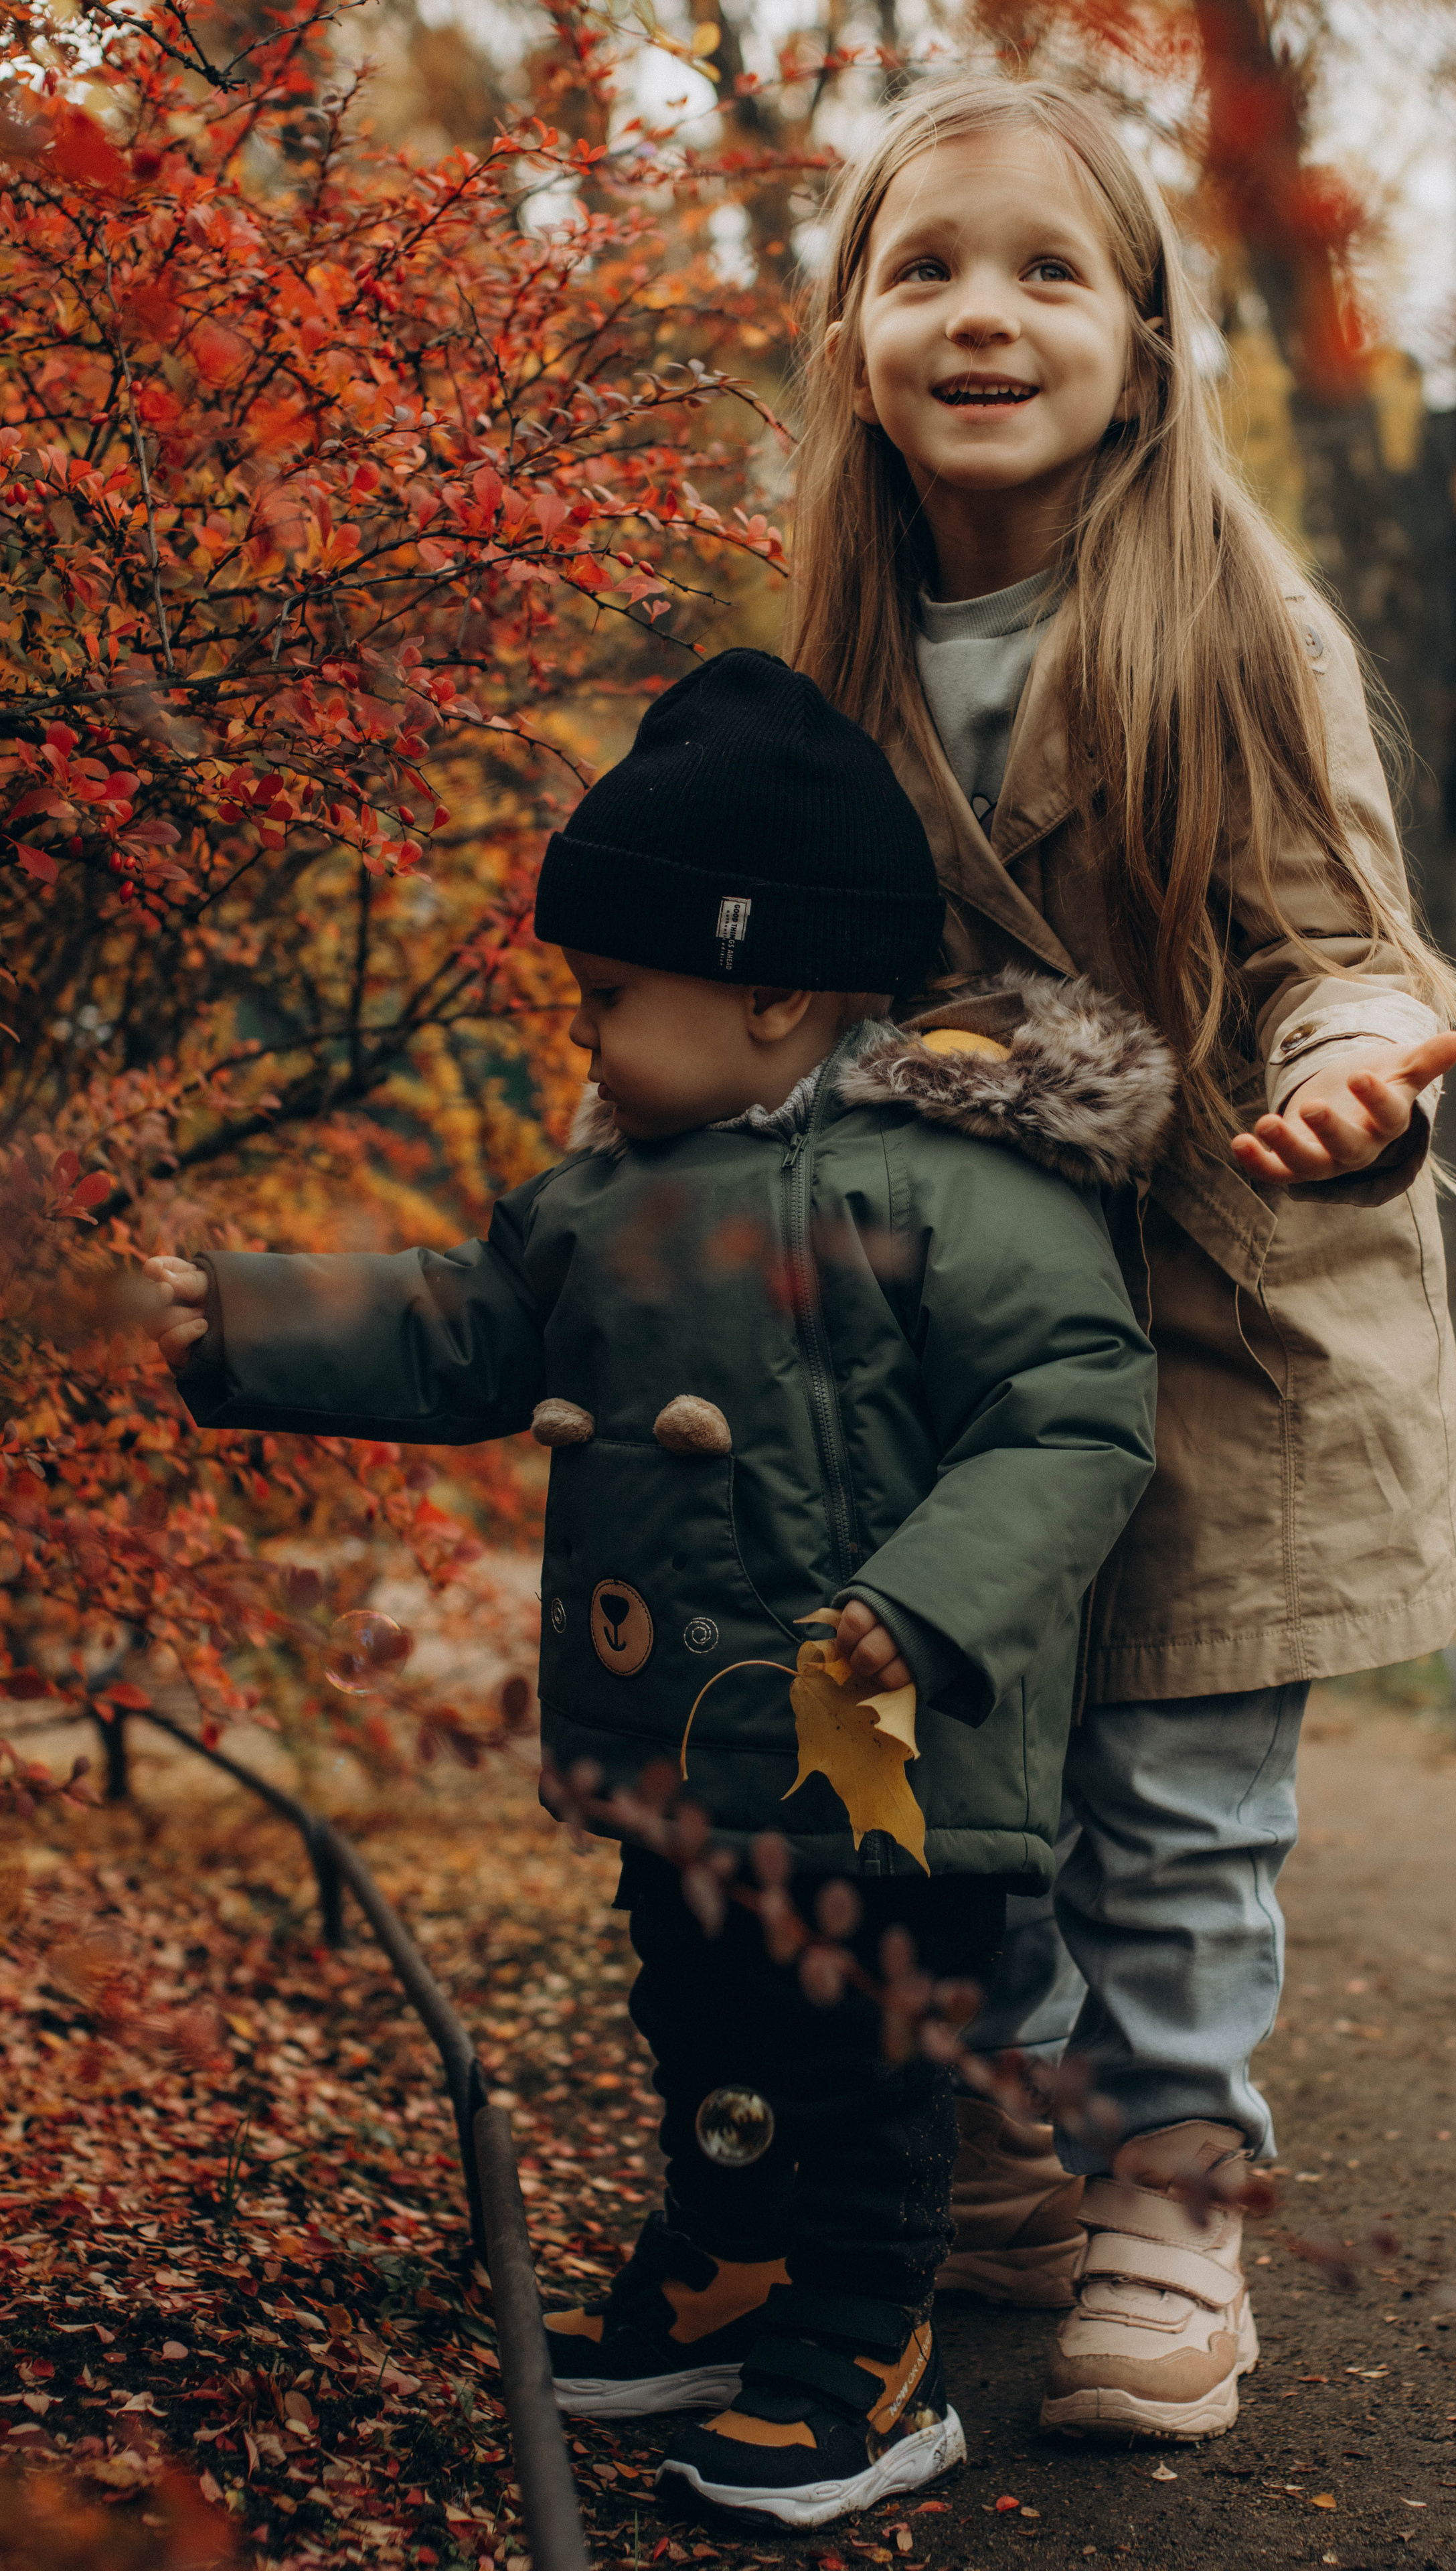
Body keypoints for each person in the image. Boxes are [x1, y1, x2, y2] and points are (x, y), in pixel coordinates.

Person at [139, 649, 1171, 2526]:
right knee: (698, 2015)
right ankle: (729, 2269)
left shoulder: (962, 1186)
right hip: (681, 1744)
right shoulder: (613, 1199)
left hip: (890, 1762)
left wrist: (928, 1604)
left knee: (863, 2058)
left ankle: (868, 2345)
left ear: (772, 985)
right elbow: (467, 1325)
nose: (589, 1034)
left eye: (614, 995)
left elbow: (1076, 1419)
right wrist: (252, 1321)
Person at [787, 71, 1456, 2443]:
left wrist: (1368, 1055)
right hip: (964, 1331)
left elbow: (1340, 945)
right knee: (964, 1751)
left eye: (1047, 268)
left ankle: (1171, 2188)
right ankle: (1012, 2114)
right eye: (927, 269)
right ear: (856, 341)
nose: (984, 312)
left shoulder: (1225, 624)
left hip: (1218, 1289)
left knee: (1173, 1790)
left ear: (1150, 346)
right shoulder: (836, 662)